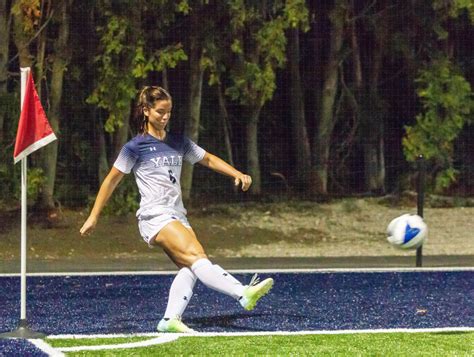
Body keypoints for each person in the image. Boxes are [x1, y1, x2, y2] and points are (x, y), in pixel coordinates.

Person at [80, 86, 274, 333]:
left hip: (177, 214)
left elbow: (208, 159)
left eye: (169, 112)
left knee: (191, 266)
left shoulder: (177, 141)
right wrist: (93, 216)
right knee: (197, 256)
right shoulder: (135, 147)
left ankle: (170, 319)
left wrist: (236, 173)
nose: (165, 116)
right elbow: (111, 180)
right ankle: (242, 293)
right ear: (146, 111)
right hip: (155, 216)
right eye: (160, 111)